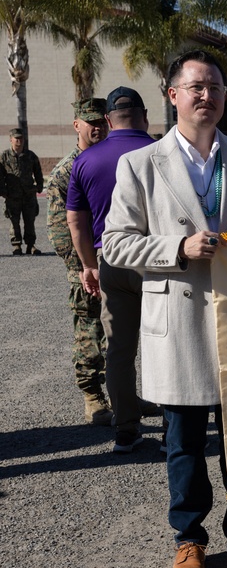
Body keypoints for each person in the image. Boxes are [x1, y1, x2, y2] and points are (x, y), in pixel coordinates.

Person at [102, 50, 227, 568]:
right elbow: (115, 244)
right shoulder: (140, 164)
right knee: (183, 441)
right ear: (173, 95)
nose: (206, 95)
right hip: (179, 321)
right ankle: (189, 538)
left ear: (225, 96)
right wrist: (178, 247)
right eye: (195, 87)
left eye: (214, 87)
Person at [66, 87, 159, 453]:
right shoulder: (162, 151)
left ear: (107, 120)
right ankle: (172, 429)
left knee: (119, 348)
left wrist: (89, 265)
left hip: (112, 260)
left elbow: (76, 221)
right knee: (163, 343)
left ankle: (126, 431)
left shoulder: (86, 160)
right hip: (157, 258)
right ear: (145, 115)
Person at [46, 98, 111, 425]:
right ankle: (92, 396)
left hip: (112, 260)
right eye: (90, 122)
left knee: (118, 330)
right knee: (89, 328)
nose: (97, 127)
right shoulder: (67, 169)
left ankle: (120, 391)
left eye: (101, 121)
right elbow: (59, 229)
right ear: (77, 126)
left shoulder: (110, 159)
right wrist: (82, 265)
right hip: (85, 266)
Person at [1, 127, 44, 255]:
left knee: (29, 220)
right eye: (17, 138)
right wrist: (3, 190)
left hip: (29, 194)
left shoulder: (30, 156)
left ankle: (31, 245)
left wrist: (39, 186)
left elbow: (38, 172)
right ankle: (16, 245)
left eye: (21, 138)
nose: (19, 141)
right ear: (11, 140)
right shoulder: (4, 157)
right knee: (14, 221)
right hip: (12, 195)